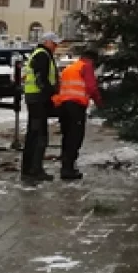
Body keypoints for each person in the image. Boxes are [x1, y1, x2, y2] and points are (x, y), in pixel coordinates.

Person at [53, 46, 103, 180]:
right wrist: (100, 103)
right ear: (92, 59)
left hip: (63, 106)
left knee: (67, 136)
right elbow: (91, 87)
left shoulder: (70, 68)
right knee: (75, 137)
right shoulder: (86, 66)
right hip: (76, 106)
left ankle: (66, 166)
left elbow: (59, 87)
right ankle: (68, 169)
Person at [21, 32, 61, 182]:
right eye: (54, 43)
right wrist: (51, 94)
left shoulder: (39, 53)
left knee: (33, 133)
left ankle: (29, 168)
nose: (56, 46)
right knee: (39, 135)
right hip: (38, 99)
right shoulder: (42, 55)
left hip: (34, 98)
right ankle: (35, 169)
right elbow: (41, 79)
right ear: (47, 42)